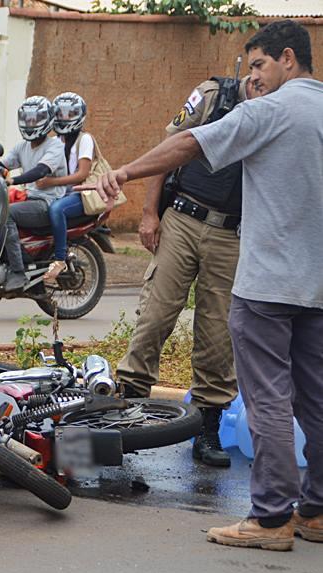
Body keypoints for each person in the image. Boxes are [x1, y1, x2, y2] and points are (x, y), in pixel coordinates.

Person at [89, 20, 322, 551]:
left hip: (265, 283)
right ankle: (316, 511)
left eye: (261, 64)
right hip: (314, 284)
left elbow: (187, 144)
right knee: (315, 400)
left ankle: (269, 519)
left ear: (289, 58)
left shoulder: (268, 111)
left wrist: (122, 173)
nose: (254, 76)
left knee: (266, 400)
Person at [115, 75, 256, 468]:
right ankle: (127, 410)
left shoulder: (274, 111)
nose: (262, 80)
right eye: (256, 68)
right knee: (155, 316)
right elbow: (169, 149)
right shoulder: (215, 95)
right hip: (184, 218)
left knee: (217, 333)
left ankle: (206, 428)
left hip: (233, 232)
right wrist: (148, 213)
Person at [32, 92, 107, 282]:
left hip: (81, 192)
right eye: (61, 113)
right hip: (62, 191)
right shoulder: (57, 141)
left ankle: (60, 259)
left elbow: (82, 174)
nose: (64, 118)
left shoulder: (85, 139)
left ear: (79, 115)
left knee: (57, 209)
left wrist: (50, 183)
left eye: (69, 114)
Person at [0, 95, 68, 292]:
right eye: (27, 119)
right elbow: (5, 163)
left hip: (47, 203)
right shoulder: (23, 146)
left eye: (35, 119)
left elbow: (41, 171)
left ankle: (18, 271)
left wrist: (13, 180)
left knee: (7, 214)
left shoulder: (55, 146)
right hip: (30, 199)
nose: (30, 123)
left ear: (46, 120)